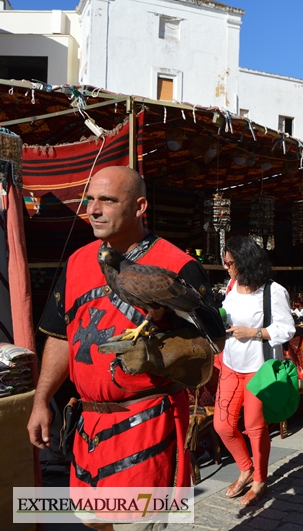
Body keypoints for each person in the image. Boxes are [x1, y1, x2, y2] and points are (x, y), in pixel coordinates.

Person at [28, 166, 225, 530]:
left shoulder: (178, 264)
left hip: (147, 422)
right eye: (90, 199)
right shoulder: (76, 262)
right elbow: (59, 336)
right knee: (93, 522)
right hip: (89, 424)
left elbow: (209, 349)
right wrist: (42, 400)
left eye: (107, 200)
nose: (94, 209)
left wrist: (163, 354)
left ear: (139, 207)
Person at [216, 236, 295, 506]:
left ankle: (260, 479)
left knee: (254, 427)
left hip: (258, 369)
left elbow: (287, 329)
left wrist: (254, 333)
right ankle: (245, 467)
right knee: (223, 425)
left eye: (229, 262)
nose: (226, 267)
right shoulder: (231, 286)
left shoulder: (273, 291)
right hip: (230, 363)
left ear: (245, 262)